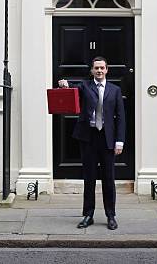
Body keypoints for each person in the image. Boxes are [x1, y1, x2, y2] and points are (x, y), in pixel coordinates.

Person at [58, 56, 125, 230]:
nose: (99, 71)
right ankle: (88, 214)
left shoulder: (115, 90)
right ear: (92, 70)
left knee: (109, 179)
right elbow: (72, 89)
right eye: (96, 68)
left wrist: (120, 141)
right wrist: (65, 84)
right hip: (88, 138)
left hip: (108, 139)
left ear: (107, 69)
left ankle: (111, 215)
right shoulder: (85, 86)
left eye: (102, 68)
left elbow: (121, 118)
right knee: (89, 178)